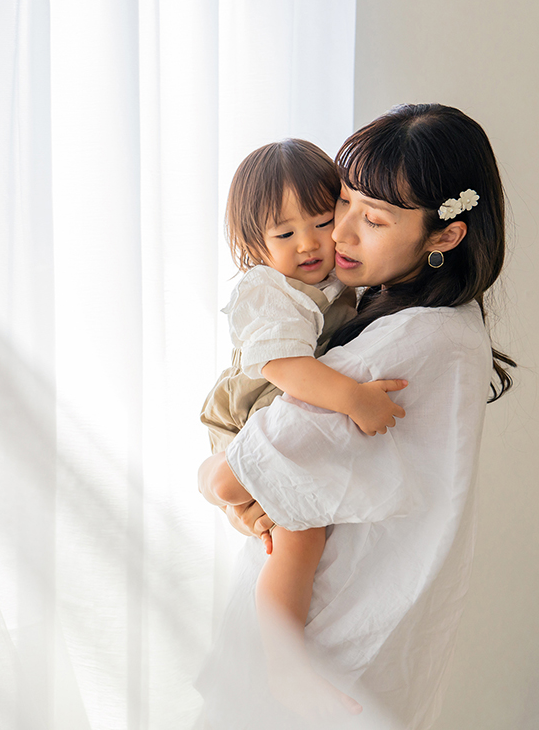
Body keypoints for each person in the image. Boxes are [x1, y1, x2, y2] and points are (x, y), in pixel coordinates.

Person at [196, 103, 515, 729]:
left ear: (446, 234)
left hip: (331, 643)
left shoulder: (411, 340)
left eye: (370, 219)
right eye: (342, 203)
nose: (336, 236)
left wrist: (213, 479)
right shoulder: (434, 317)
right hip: (363, 631)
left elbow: (236, 480)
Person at [198, 138, 410, 717]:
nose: (310, 243)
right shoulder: (264, 288)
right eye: (285, 234)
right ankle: (283, 667)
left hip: (273, 406)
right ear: (253, 245)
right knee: (299, 537)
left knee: (293, 528)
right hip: (253, 405)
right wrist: (353, 399)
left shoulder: (334, 279)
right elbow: (287, 369)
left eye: (322, 219)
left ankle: (225, 480)